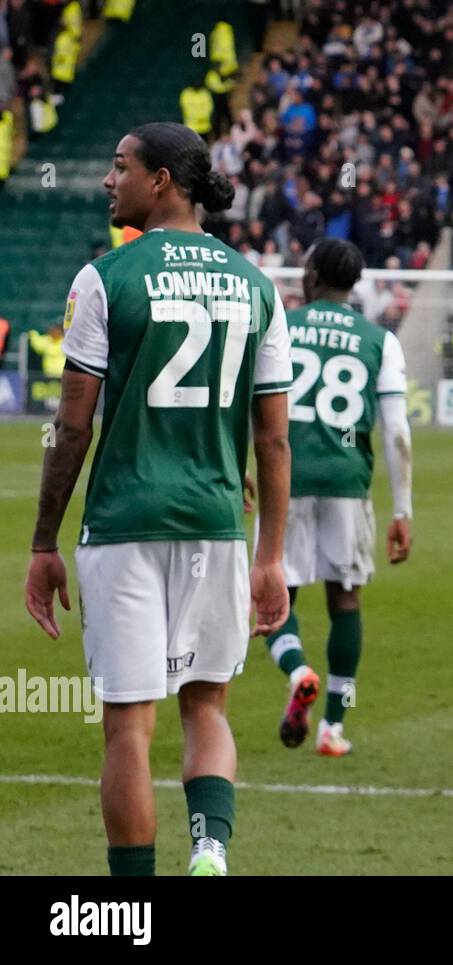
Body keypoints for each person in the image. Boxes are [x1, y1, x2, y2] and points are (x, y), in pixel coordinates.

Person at [23, 122, 292, 876]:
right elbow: (272, 441)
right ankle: (209, 845)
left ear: (162, 181)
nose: (110, 181)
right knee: (206, 705)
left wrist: (44, 542)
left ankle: (132, 903)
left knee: (128, 729)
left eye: (120, 167)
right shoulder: (256, 283)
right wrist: (270, 555)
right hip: (215, 523)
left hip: (123, 525)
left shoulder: (105, 276)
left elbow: (72, 427)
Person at [260, 237, 412, 756]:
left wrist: (243, 472)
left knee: (279, 594)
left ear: (314, 276)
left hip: (287, 476)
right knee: (345, 600)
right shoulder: (379, 340)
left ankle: (298, 669)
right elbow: (396, 433)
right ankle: (332, 729)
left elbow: (252, 407)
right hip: (348, 483)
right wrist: (403, 510)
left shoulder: (282, 325)